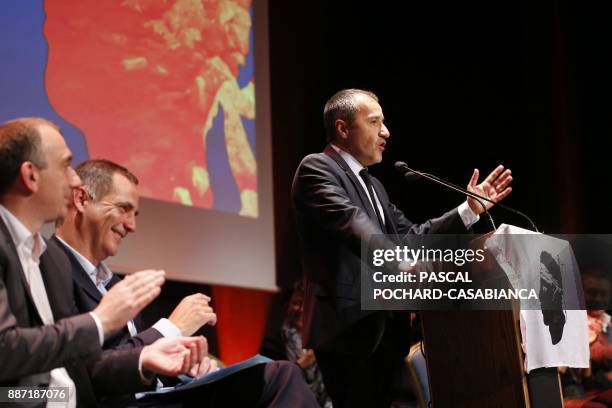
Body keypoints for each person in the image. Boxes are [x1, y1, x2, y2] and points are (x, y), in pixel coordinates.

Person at [291, 89, 513, 407]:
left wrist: (469, 210)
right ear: (342, 128)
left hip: (389, 334)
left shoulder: (375, 187)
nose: (386, 131)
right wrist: (403, 266)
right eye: (374, 122)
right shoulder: (317, 169)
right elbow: (353, 225)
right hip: (350, 335)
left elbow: (411, 237)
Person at [52, 158, 319, 407]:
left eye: (135, 214)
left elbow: (132, 363)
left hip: (157, 395)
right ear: (82, 199)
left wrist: (181, 366)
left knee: (276, 375)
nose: (131, 225)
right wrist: (171, 328)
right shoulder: (49, 270)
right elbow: (90, 371)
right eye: (123, 209)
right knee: (279, 376)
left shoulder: (114, 284)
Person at [0, 117, 207, 407]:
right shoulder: (38, 257)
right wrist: (100, 321)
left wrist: (148, 359)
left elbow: (80, 370)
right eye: (65, 166)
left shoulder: (45, 259)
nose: (74, 180)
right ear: (30, 175)